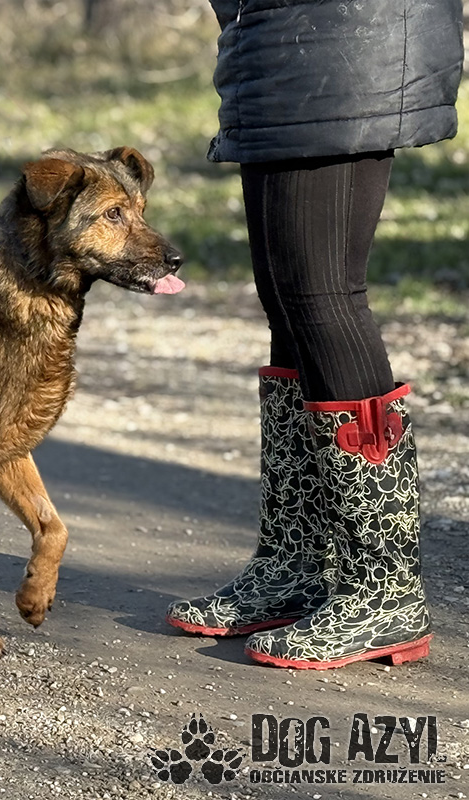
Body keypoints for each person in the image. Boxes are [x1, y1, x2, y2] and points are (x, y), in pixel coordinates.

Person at [165, 0, 464, 669]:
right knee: (287, 299)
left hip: (340, 39)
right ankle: (295, 564)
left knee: (322, 293)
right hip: (272, 40)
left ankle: (384, 589)